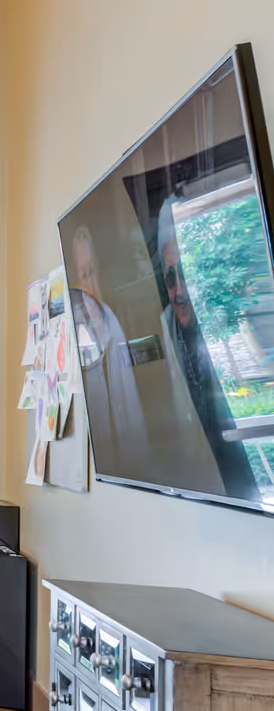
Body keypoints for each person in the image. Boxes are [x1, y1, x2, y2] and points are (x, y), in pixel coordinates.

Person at [156, 203, 261, 500]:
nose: (179, 290)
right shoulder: (164, 328)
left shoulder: (218, 316)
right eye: (170, 277)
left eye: (185, 274)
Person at [68, 223, 148, 456]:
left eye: (92, 271)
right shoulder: (71, 337)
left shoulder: (112, 321)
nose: (91, 285)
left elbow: (133, 405)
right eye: (83, 276)